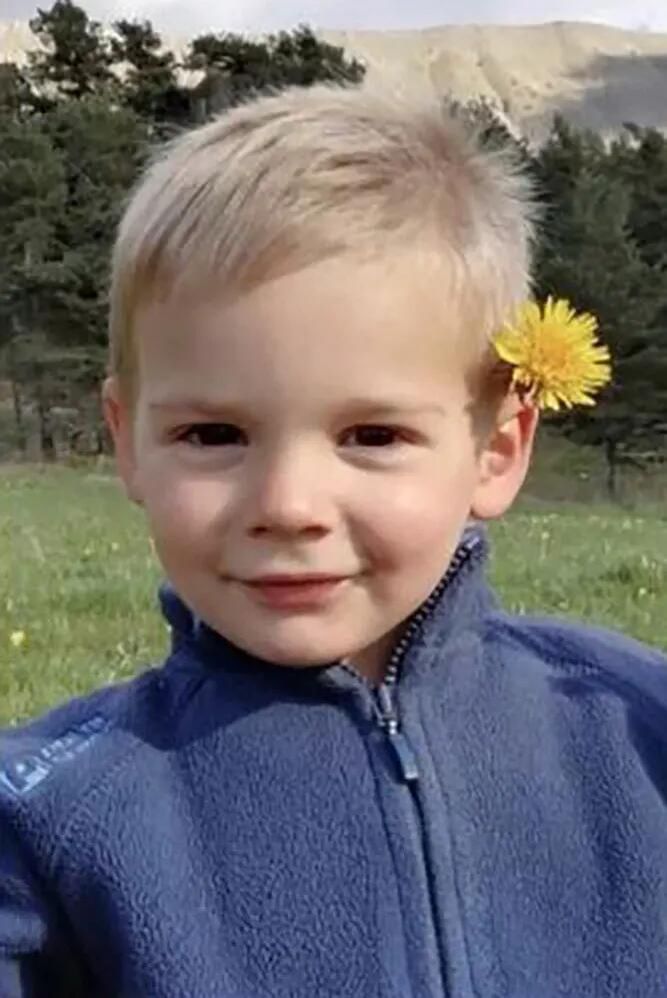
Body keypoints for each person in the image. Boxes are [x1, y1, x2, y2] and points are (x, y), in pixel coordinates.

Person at [0, 83, 665, 998]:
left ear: (496, 448)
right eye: (212, 436)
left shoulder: (638, 730)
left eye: (372, 436)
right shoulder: (45, 817)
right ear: (129, 443)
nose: (288, 503)